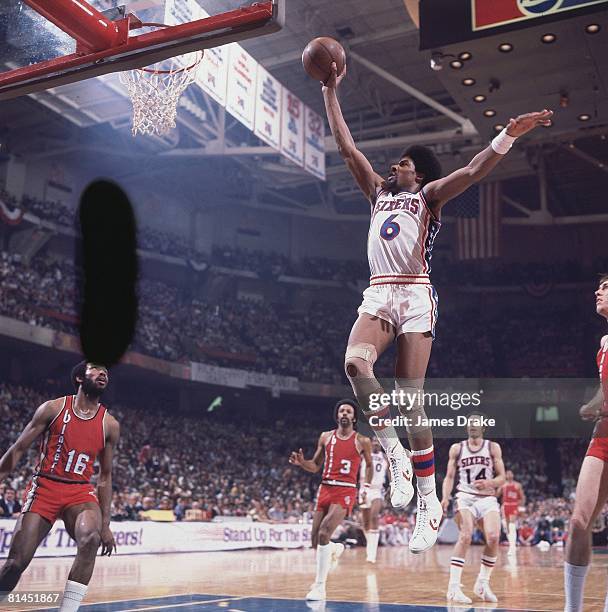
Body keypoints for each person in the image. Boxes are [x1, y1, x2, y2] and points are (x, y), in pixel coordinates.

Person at [322, 59, 552, 554]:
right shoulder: (375, 194)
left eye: (403, 162)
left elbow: (472, 171)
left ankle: (429, 500)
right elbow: (345, 146)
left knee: (411, 397)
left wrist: (508, 136)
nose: (394, 165)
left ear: (418, 171)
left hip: (416, 293)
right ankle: (394, 453)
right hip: (380, 289)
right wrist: (329, 89)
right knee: (355, 363)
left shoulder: (427, 196)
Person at [0, 361, 119, 612]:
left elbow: (105, 477)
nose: (102, 373)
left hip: (80, 490)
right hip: (45, 486)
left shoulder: (109, 424)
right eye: (96, 369)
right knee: (15, 564)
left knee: (91, 538)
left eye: (105, 372)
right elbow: (19, 448)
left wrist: (106, 524)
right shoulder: (53, 408)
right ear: (79, 378)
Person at [289, 399, 372, 601]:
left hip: (346, 489)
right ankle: (335, 548)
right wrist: (302, 463)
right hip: (325, 487)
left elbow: (369, 465)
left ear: (354, 417)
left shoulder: (362, 440)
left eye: (349, 411)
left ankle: (319, 587)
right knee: (316, 541)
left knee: (326, 531)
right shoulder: (325, 437)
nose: (345, 413)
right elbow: (315, 466)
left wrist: (366, 487)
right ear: (337, 416)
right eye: (342, 411)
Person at [563, 275, 608, 611]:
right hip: (603, 435)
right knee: (579, 522)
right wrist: (593, 404)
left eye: (606, 288)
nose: (597, 291)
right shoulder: (604, 345)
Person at [441, 413, 506, 604]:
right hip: (465, 497)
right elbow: (449, 477)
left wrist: (489, 482)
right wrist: (445, 497)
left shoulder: (493, 447)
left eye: (476, 423)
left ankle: (482, 584)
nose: (473, 426)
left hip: (486, 498)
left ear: (483, 427)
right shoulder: (457, 448)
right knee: (466, 535)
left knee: (493, 537)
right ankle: (453, 588)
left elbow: (502, 477)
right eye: (470, 423)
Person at [358, 438, 388, 563]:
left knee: (374, 517)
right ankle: (371, 543)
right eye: (374, 441)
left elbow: (392, 473)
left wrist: (392, 487)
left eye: (378, 441)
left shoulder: (385, 457)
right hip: (364, 488)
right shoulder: (364, 453)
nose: (376, 443)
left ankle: (372, 555)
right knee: (365, 523)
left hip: (377, 490)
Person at [500, 469, 525, 555]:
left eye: (511, 473)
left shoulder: (517, 485)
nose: (509, 475)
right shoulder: (503, 485)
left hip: (514, 504)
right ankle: (511, 544)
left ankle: (513, 546)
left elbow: (522, 497)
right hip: (506, 505)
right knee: (506, 526)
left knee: (512, 524)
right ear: (506, 475)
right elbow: (497, 494)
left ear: (513, 475)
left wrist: (521, 507)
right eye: (508, 474)